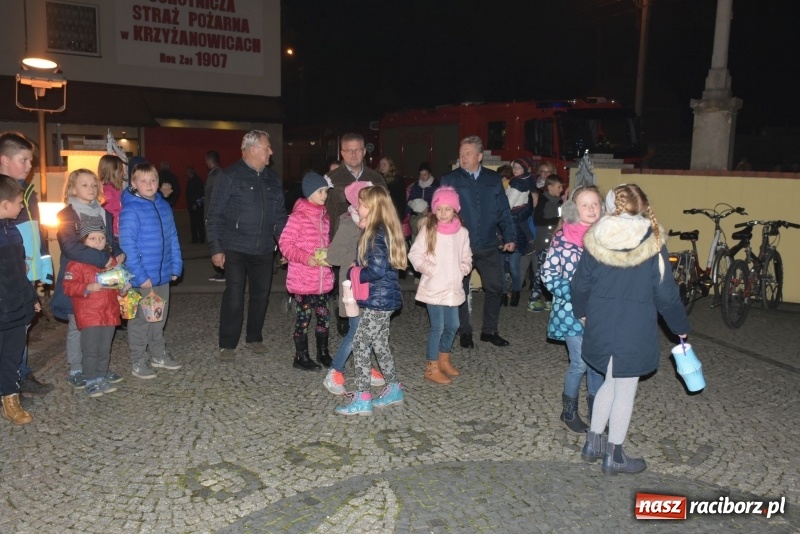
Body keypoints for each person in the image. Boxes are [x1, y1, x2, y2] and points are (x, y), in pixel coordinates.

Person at [572, 183, 690, 475]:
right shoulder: (653, 241)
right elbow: (666, 294)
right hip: (633, 327)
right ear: (642, 206)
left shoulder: (597, 237)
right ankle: (615, 455)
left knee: (610, 382)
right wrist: (679, 327)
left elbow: (579, 284)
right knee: (624, 389)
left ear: (612, 206)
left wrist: (582, 312)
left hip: (601, 323)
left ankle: (593, 444)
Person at [206, 131, 288, 361]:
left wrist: (285, 246)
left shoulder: (272, 178)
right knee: (234, 296)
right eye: (267, 147)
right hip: (235, 247)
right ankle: (227, 344)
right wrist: (216, 248)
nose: (271, 151)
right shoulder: (229, 176)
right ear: (253, 149)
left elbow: (280, 216)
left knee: (261, 296)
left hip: (264, 248)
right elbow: (214, 215)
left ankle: (254, 337)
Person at [335, 186, 406, 415]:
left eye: (362, 203)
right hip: (383, 298)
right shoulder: (380, 229)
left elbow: (376, 269)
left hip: (378, 300)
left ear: (372, 207)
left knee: (360, 344)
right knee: (379, 344)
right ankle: (394, 388)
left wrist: (354, 272)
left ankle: (363, 397)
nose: (357, 206)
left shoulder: (376, 233)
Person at [51, 169, 124, 389]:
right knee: (77, 325)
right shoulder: (67, 215)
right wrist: (105, 259)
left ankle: (98, 369)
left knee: (102, 323)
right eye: (84, 185)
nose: (91, 188)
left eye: (94, 185)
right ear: (72, 188)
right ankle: (76, 368)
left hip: (103, 281)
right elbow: (71, 247)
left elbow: (110, 241)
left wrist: (118, 253)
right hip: (80, 278)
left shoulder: (104, 213)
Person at [541, 185, 605, 433]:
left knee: (597, 364)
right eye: (584, 204)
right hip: (569, 311)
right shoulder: (562, 238)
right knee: (579, 363)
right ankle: (568, 413)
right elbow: (548, 274)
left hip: (599, 312)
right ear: (573, 210)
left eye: (595, 204)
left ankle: (597, 413)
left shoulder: (606, 238)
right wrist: (576, 297)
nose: (591, 209)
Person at [441, 136, 515, 348]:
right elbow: (439, 213)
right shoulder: (450, 179)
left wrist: (510, 236)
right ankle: (464, 331)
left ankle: (489, 331)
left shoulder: (492, 179)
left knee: (495, 287)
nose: (463, 157)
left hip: (489, 244)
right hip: (461, 246)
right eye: (461, 153)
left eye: (468, 153)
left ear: (479, 156)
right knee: (461, 290)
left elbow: (503, 210)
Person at [0, 132, 54, 398]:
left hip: (26, 272)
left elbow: (36, 228)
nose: (29, 166)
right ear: (4, 160)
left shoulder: (26, 191)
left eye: (30, 160)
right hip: (8, 274)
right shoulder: (4, 195)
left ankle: (19, 375)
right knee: (9, 330)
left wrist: (43, 262)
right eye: (23, 160)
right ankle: (10, 385)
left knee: (21, 328)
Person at [119, 163, 183, 379]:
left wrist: (175, 265)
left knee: (158, 317)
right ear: (133, 183)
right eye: (143, 181)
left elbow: (172, 237)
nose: (149, 184)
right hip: (143, 278)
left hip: (162, 275)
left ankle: (158, 353)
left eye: (153, 180)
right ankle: (138, 359)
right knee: (140, 321)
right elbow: (128, 245)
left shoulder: (163, 206)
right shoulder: (131, 210)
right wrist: (140, 275)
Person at [323, 180, 385, 395]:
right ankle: (335, 372)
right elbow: (332, 255)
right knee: (356, 332)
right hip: (353, 287)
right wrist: (358, 259)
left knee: (368, 331)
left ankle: (364, 368)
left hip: (371, 287)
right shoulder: (349, 223)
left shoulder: (377, 226)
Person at [408, 186, 472, 385]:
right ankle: (431, 366)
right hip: (434, 286)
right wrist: (430, 269)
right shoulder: (429, 229)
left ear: (455, 210)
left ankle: (444, 359)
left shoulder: (462, 232)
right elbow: (415, 254)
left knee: (453, 325)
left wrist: (463, 268)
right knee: (438, 326)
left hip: (453, 287)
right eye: (440, 209)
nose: (443, 213)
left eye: (448, 209)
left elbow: (467, 255)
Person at [325, 134, 386, 338]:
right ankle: (345, 315)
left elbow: (386, 208)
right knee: (345, 278)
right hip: (343, 238)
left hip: (371, 237)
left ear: (364, 151)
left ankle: (365, 314)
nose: (353, 154)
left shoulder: (376, 178)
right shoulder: (331, 179)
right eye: (348, 150)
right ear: (342, 153)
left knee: (367, 280)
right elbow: (326, 211)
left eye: (357, 150)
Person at [62, 218, 128, 397]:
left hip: (109, 312)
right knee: (90, 349)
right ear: (83, 241)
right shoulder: (76, 263)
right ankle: (90, 380)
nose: (98, 242)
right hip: (90, 314)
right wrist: (86, 287)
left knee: (105, 348)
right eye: (92, 238)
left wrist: (123, 288)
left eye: (102, 238)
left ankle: (101, 376)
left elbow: (118, 284)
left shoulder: (111, 261)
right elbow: (68, 286)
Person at [278, 172, 334, 371]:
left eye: (326, 191)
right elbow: (285, 243)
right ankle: (301, 356)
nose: (325, 195)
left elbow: (325, 244)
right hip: (303, 280)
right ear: (309, 193)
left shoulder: (324, 218)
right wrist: (305, 257)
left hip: (321, 280)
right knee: (304, 318)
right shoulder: (298, 217)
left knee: (324, 317)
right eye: (321, 191)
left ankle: (323, 352)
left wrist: (330, 256)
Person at [0, 176, 39, 425]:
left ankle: (10, 401)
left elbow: (19, 271)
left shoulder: (12, 230)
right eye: (18, 202)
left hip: (15, 308)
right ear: (4, 205)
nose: (22, 206)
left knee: (12, 357)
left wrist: (30, 297)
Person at [529, 174, 564, 312]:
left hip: (555, 243)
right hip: (544, 243)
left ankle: (549, 298)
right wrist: (557, 221)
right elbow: (538, 220)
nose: (561, 189)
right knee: (541, 271)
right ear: (550, 187)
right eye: (559, 187)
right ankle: (534, 298)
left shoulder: (559, 202)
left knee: (553, 271)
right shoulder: (543, 201)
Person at [504, 159, 535, 307]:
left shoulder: (518, 183)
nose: (516, 170)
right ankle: (506, 293)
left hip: (513, 228)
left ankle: (515, 292)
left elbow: (509, 203)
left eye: (519, 168)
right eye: (514, 167)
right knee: (505, 266)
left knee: (513, 266)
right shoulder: (521, 181)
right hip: (509, 227)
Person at [204, 151, 225, 282]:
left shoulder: (216, 175)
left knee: (218, 243)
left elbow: (214, 197)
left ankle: (224, 271)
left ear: (209, 160)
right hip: (213, 213)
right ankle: (221, 271)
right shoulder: (217, 174)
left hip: (214, 214)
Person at [406, 162, 439, 243]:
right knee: (416, 238)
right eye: (421, 175)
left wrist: (431, 211)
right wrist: (414, 207)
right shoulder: (416, 185)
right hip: (417, 215)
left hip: (430, 216)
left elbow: (438, 202)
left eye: (425, 174)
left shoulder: (436, 186)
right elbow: (410, 200)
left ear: (430, 174)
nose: (422, 177)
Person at [98, 154, 126, 238]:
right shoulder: (109, 192)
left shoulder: (112, 189)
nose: (123, 173)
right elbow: (111, 214)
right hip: (115, 232)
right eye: (121, 170)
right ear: (113, 172)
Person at [378, 156, 406, 222]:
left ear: (390, 166)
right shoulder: (378, 178)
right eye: (380, 165)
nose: (381, 167)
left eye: (384, 164)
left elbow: (401, 200)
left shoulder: (398, 180)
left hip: (394, 211)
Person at [185, 166, 205, 244]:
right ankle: (199, 238)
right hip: (197, 204)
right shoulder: (197, 180)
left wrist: (194, 203)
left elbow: (196, 193)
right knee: (198, 222)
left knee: (195, 223)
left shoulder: (193, 181)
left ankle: (196, 239)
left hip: (195, 205)